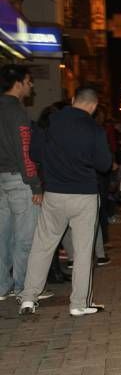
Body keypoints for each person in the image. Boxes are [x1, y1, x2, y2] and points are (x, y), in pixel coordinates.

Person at [18, 87, 112, 316]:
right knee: (82, 251)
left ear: (72, 100)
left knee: (42, 246)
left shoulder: (50, 122)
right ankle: (79, 303)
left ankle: (28, 298)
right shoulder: (94, 129)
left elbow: (35, 154)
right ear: (93, 106)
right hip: (84, 196)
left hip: (55, 194)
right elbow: (104, 164)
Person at [0, 64, 44, 302]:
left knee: (2, 235)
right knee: (25, 237)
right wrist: (35, 185)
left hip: (1, 180)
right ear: (18, 83)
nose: (32, 85)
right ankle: (24, 288)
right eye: (29, 81)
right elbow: (24, 150)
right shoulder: (17, 112)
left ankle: (1, 286)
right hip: (19, 180)